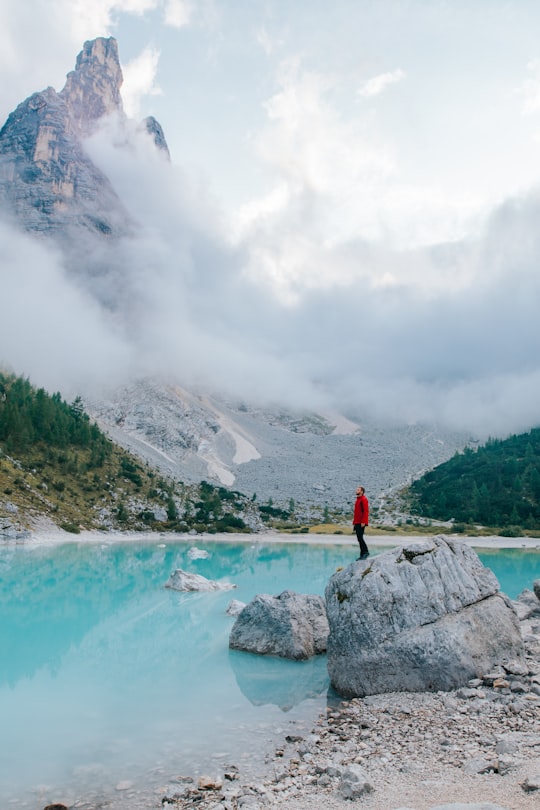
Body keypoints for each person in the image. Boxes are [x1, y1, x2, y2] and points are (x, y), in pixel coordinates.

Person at [352, 485, 369, 559]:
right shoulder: (358, 500)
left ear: (361, 492)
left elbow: (365, 511)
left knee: (360, 538)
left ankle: (365, 552)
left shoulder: (364, 499)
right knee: (359, 538)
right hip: (357, 522)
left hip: (361, 522)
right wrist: (354, 523)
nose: (356, 491)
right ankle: (362, 554)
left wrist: (363, 522)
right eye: (356, 489)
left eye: (358, 490)